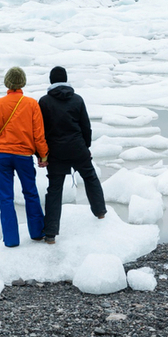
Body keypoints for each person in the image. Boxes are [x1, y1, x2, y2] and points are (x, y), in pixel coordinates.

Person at [38, 65, 106, 244]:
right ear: (66, 79)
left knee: (54, 190)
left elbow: (40, 131)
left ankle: (51, 234)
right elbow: (86, 127)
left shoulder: (44, 102)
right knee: (90, 177)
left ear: (51, 81)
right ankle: (100, 212)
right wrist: (86, 146)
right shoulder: (77, 99)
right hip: (77, 147)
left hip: (55, 151)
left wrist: (42, 153)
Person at [0, 66, 49, 247]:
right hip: (23, 156)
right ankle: (37, 232)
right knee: (30, 193)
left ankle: (11, 239)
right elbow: (38, 134)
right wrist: (43, 155)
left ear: (7, 82)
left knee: (5, 197)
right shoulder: (31, 104)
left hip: (2, 156)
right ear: (23, 83)